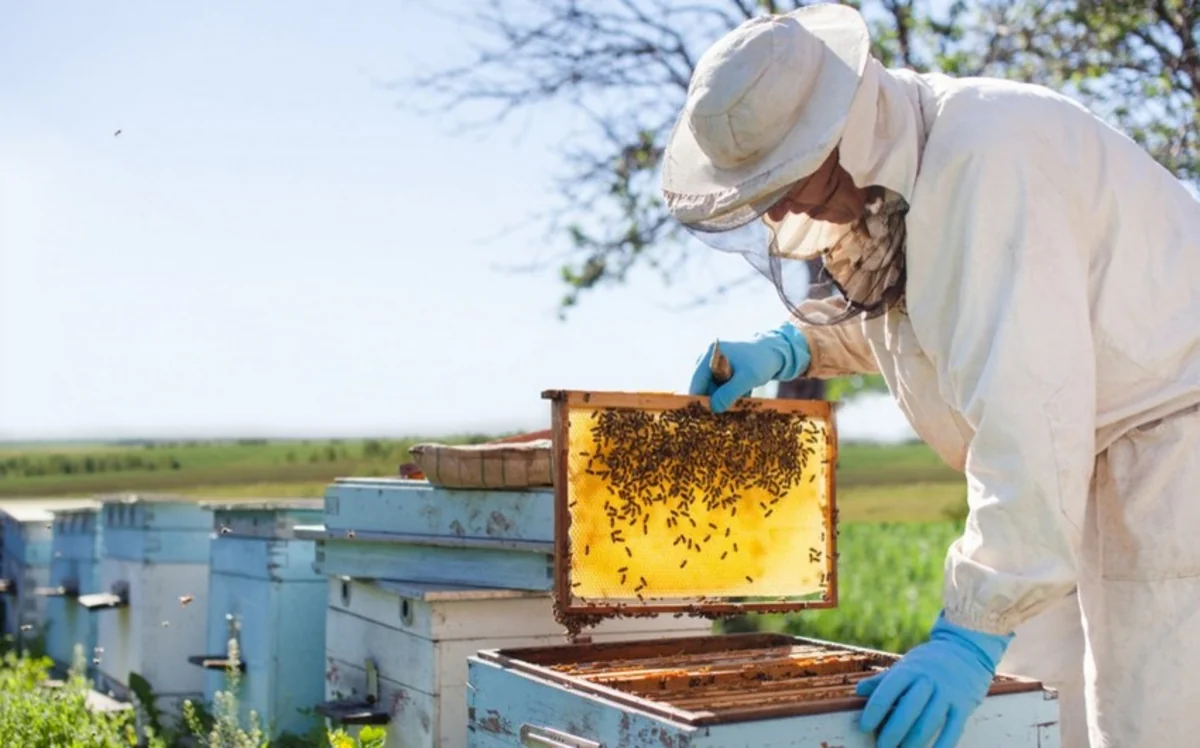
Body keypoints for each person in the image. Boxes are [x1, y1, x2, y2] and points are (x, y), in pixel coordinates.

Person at [662, 4, 1200, 748]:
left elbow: (1030, 406)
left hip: (1167, 453)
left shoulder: (986, 161)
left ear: (836, 134)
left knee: (1152, 723)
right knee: (1034, 713)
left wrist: (968, 635)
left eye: (783, 179)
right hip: (1068, 467)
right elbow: (924, 314)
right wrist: (792, 347)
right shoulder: (906, 171)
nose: (779, 208)